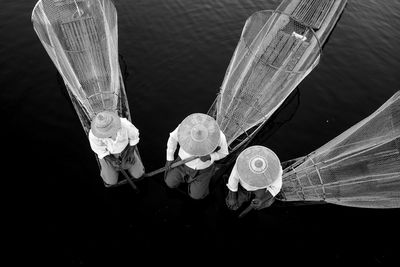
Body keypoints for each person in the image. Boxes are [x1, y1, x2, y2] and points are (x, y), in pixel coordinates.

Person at [164, 113, 229, 200]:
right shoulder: (185, 126)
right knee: (169, 182)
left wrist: (210, 157)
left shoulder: (220, 136)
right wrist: (169, 158)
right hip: (182, 163)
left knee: (196, 196)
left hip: (203, 170)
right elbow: (173, 138)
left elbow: (224, 153)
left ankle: (209, 174)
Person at [88, 110, 145, 186]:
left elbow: (134, 137)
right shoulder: (93, 134)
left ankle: (129, 160)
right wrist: (112, 160)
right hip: (108, 154)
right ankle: (111, 168)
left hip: (126, 149)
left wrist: (130, 152)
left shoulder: (124, 124)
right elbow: (100, 150)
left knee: (139, 174)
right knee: (110, 182)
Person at [225, 145, 282, 212]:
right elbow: (233, 178)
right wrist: (232, 196)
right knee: (233, 205)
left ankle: (257, 203)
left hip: (260, 188)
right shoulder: (242, 161)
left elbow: (276, 187)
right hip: (243, 186)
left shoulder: (276, 169)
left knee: (265, 203)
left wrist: (261, 200)